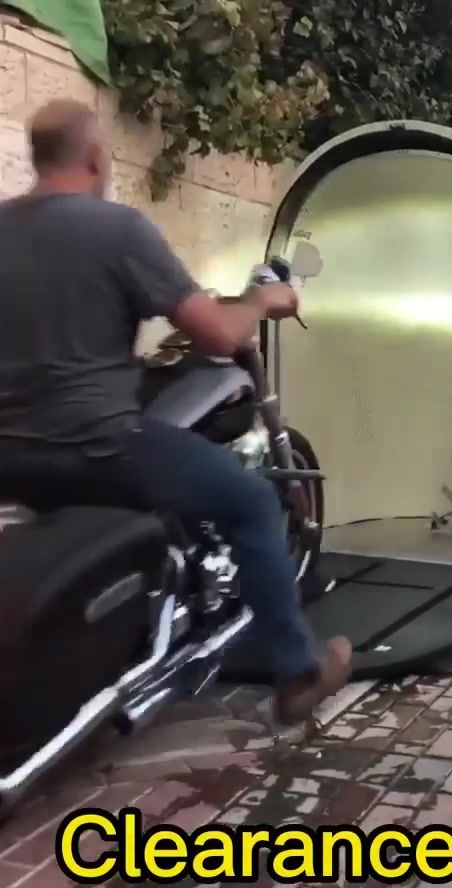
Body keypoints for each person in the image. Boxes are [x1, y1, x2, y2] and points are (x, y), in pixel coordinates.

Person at [0, 99, 352, 725]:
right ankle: (298, 673)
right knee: (248, 501)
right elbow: (218, 334)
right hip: (97, 446)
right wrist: (264, 300)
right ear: (94, 156)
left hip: (11, 456)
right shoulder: (114, 229)